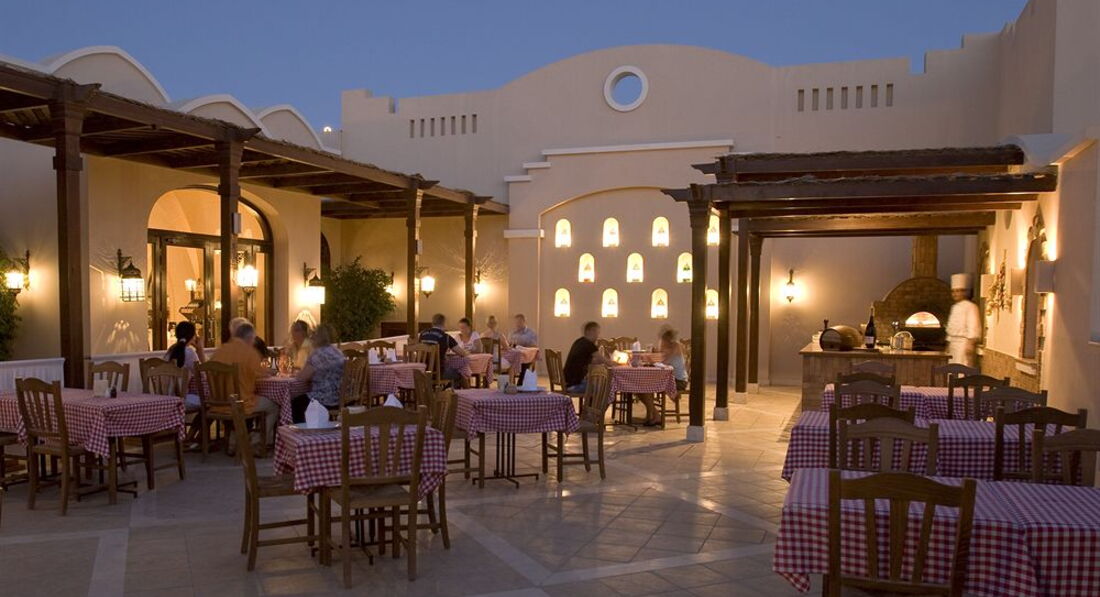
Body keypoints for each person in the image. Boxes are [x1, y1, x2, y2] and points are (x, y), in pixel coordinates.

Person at [211, 322, 279, 445]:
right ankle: (256, 440)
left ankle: (234, 441)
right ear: (249, 338)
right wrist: (271, 371)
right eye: (253, 339)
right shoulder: (249, 353)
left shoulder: (219, 351)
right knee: (275, 405)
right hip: (241, 404)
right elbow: (261, 373)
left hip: (218, 404)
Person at [290, 325, 345, 422]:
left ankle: (303, 430)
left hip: (323, 398)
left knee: (294, 403)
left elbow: (302, 377)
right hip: (340, 397)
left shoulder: (317, 354)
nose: (311, 337)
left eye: (313, 335)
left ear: (318, 338)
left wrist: (295, 373)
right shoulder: (338, 352)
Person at [418, 313, 469, 387]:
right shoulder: (445, 337)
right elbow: (462, 353)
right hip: (438, 373)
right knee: (461, 374)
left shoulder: (422, 334)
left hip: (422, 371)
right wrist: (467, 352)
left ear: (432, 322)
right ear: (444, 323)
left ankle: (441, 390)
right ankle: (452, 393)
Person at [563, 321, 613, 394]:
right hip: (575, 385)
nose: (598, 336)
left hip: (568, 382)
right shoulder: (589, 344)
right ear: (591, 331)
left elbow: (592, 361)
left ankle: (591, 401)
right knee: (603, 389)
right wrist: (615, 363)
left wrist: (605, 361)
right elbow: (603, 360)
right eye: (597, 333)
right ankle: (595, 402)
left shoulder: (579, 341)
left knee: (597, 385)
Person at [164, 321, 205, 408]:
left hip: (166, 397)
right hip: (181, 398)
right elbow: (203, 375)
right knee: (208, 400)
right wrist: (200, 350)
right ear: (193, 336)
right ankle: (201, 418)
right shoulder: (189, 352)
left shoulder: (170, 350)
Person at [945, 273, 981, 367]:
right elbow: (951, 328)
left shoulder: (971, 307)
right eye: (953, 291)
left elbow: (973, 327)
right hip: (953, 344)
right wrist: (948, 344)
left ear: (964, 292)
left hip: (963, 344)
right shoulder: (954, 307)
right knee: (951, 369)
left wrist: (970, 344)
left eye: (958, 291)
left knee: (962, 368)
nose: (955, 294)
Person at [509, 313, 538, 378]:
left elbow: (534, 346)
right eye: (516, 322)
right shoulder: (512, 333)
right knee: (507, 361)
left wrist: (524, 347)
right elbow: (509, 344)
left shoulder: (531, 333)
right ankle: (509, 381)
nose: (518, 324)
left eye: (519, 322)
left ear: (524, 322)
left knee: (525, 361)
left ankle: (521, 381)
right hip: (515, 354)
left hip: (527, 355)